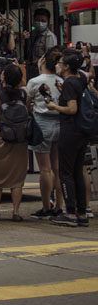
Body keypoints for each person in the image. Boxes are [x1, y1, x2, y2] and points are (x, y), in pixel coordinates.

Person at [50, 50, 90, 227]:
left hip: (70, 131)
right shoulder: (81, 79)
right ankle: (82, 213)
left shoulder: (68, 84)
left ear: (66, 66)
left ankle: (70, 212)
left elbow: (72, 108)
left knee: (65, 172)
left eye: (60, 62)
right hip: (82, 131)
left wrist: (54, 106)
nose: (57, 64)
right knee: (77, 172)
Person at [0, 63, 29, 222]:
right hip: (18, 140)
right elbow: (23, 85)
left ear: (3, 77)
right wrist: (19, 70)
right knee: (17, 180)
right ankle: (15, 212)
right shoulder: (24, 94)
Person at [26, 49, 66, 220]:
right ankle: (59, 205)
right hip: (60, 123)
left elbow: (27, 102)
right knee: (56, 168)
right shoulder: (61, 80)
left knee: (45, 168)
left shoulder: (35, 81)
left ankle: (45, 207)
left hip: (42, 123)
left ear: (42, 62)